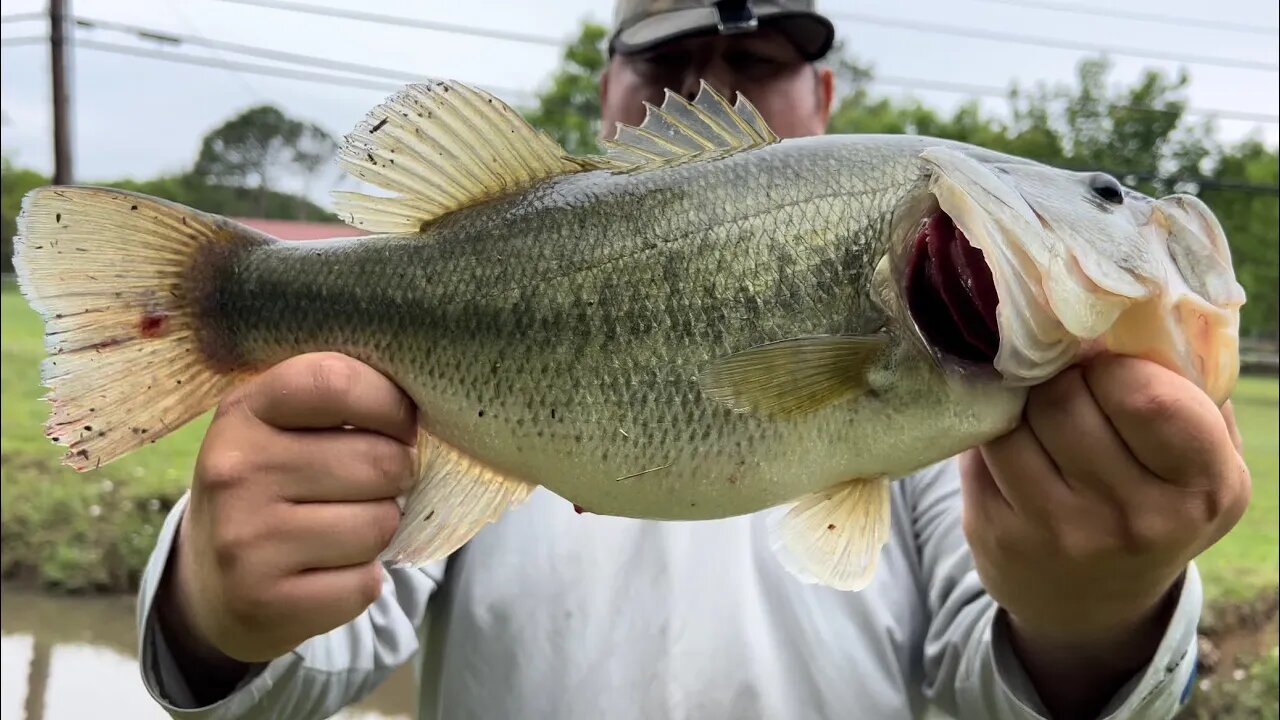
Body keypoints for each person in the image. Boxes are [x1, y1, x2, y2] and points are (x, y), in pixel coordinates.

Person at [134, 1, 1251, 719]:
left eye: (756, 61)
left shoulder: (970, 409)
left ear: (822, 102)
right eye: (669, 63)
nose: (711, 89)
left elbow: (989, 683)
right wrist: (215, 611)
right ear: (606, 93)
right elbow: (318, 659)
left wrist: (1099, 612)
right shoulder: (435, 389)